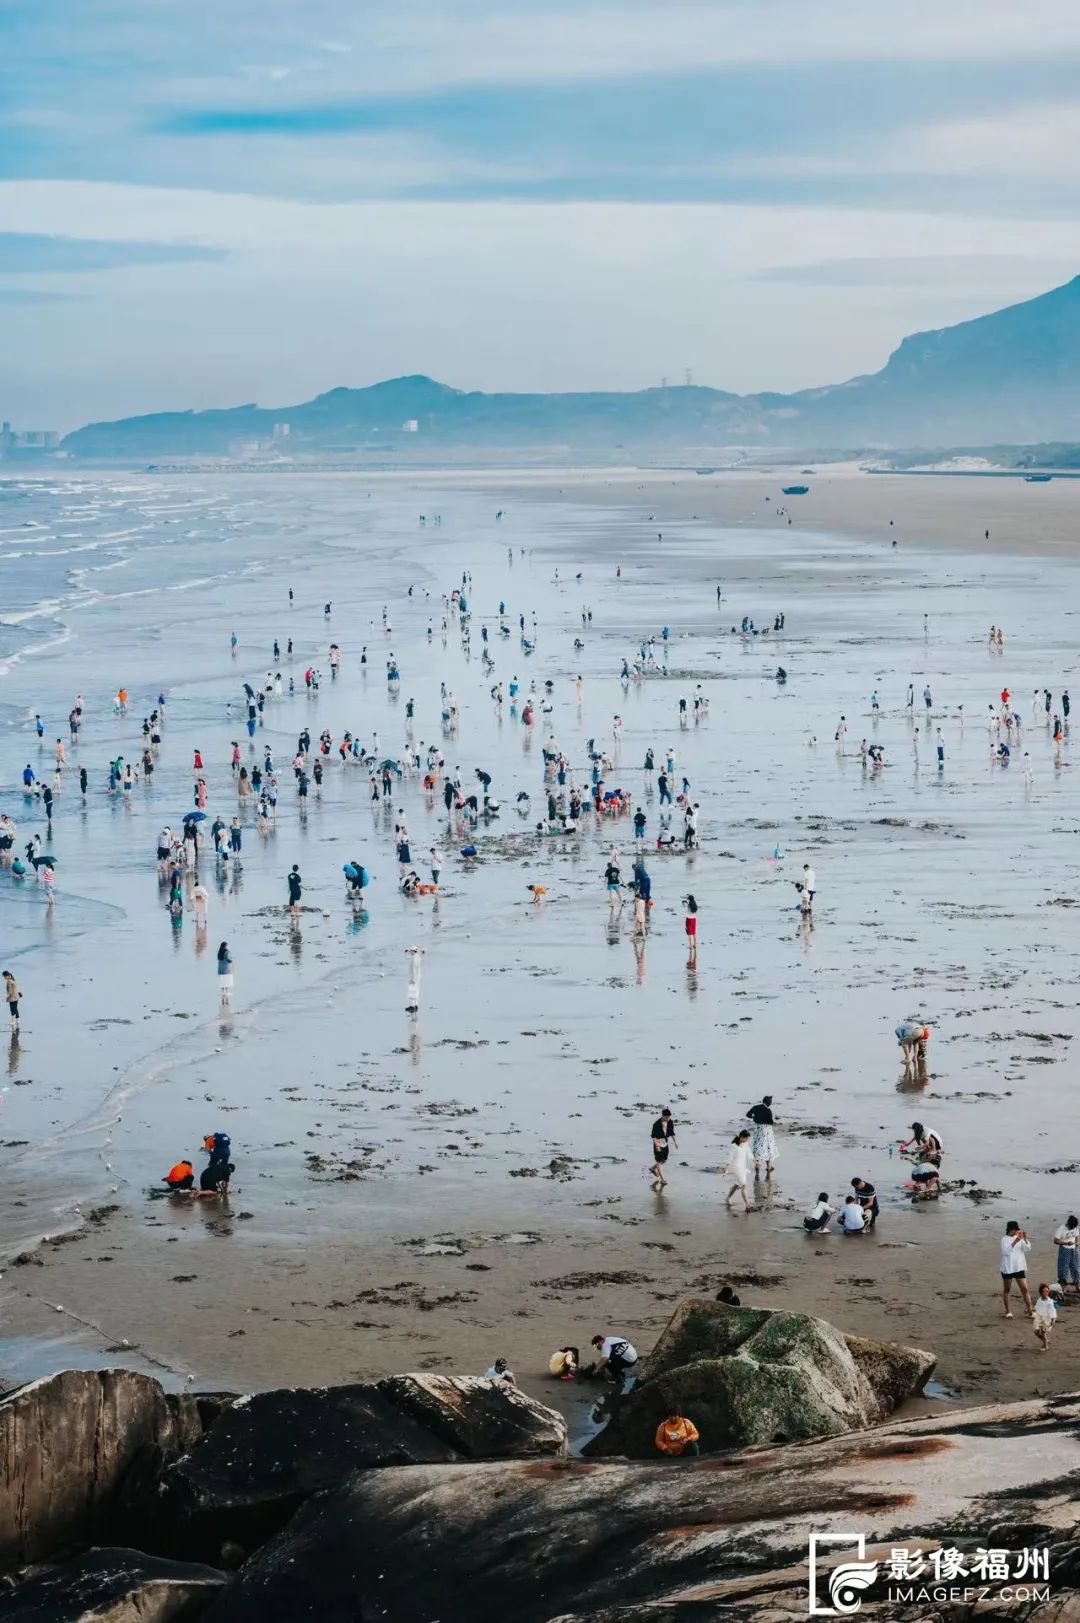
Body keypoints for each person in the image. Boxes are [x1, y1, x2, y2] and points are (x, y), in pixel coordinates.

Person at [1001, 1220, 1033, 1319]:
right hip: (1008, 1268)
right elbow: (1006, 1252)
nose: (1017, 1232)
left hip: (1019, 1267)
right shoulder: (1004, 1239)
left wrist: (1025, 1238)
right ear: (1011, 1230)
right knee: (1007, 1289)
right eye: (1016, 1230)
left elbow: (1028, 1248)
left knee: (1025, 1289)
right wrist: (1016, 1241)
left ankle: (1030, 1311)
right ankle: (1008, 1311)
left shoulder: (1019, 1238)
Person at [724, 1130, 754, 1211]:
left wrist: (755, 1161)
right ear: (741, 1137)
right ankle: (748, 1205)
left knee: (737, 1184)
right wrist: (726, 1168)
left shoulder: (746, 1144)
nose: (747, 1140)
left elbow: (749, 1155)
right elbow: (730, 1158)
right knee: (743, 1185)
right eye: (746, 1138)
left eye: (748, 1138)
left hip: (742, 1167)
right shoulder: (734, 1146)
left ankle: (727, 1198)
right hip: (736, 1167)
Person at [746, 1095, 776, 1175]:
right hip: (766, 1130)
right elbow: (770, 1122)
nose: (771, 1103)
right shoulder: (768, 1110)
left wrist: (755, 1117)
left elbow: (748, 1115)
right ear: (768, 1102)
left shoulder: (755, 1107)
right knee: (768, 1148)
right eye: (770, 1102)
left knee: (758, 1147)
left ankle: (757, 1165)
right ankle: (769, 1166)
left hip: (757, 1129)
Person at [649, 1107, 677, 1188]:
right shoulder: (656, 1124)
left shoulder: (670, 1122)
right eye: (667, 1117)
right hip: (657, 1142)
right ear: (663, 1116)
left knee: (664, 1160)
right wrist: (657, 1145)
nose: (668, 1118)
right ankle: (662, 1179)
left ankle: (652, 1168)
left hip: (665, 1142)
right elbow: (653, 1136)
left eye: (669, 1117)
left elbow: (671, 1132)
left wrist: (675, 1142)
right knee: (659, 1161)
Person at [1053, 1215, 1080, 1295]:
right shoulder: (1061, 1229)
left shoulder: (1075, 1227)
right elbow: (1056, 1241)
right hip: (1064, 1249)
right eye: (1071, 1227)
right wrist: (1066, 1243)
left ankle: (1077, 1286)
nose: (1073, 1228)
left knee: (1076, 1268)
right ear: (1068, 1224)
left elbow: (1077, 1236)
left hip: (1074, 1249)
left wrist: (1077, 1244)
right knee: (1063, 1269)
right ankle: (1063, 1288)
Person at [1033, 1283, 1057, 1351]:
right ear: (1041, 1292)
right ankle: (1045, 1340)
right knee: (1036, 1331)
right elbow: (1037, 1307)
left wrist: (1053, 1320)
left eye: (1047, 1291)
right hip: (1039, 1317)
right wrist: (1032, 1310)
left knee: (1043, 1332)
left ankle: (1045, 1345)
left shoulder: (1050, 1302)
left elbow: (1053, 1311)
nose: (1046, 1293)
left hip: (1047, 1318)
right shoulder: (1039, 1299)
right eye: (1044, 1291)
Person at [217, 941, 233, 1006]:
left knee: (222, 982)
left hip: (220, 969)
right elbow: (229, 960)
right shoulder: (227, 952)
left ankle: (222, 994)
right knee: (226, 982)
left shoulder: (219, 952)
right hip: (226, 969)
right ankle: (226, 994)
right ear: (225, 946)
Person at [684, 894, 698, 964]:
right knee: (694, 932)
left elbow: (685, 906)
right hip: (694, 919)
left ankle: (690, 946)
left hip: (689, 919)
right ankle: (695, 945)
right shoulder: (695, 905)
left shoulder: (688, 905)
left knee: (689, 933)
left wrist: (685, 902)